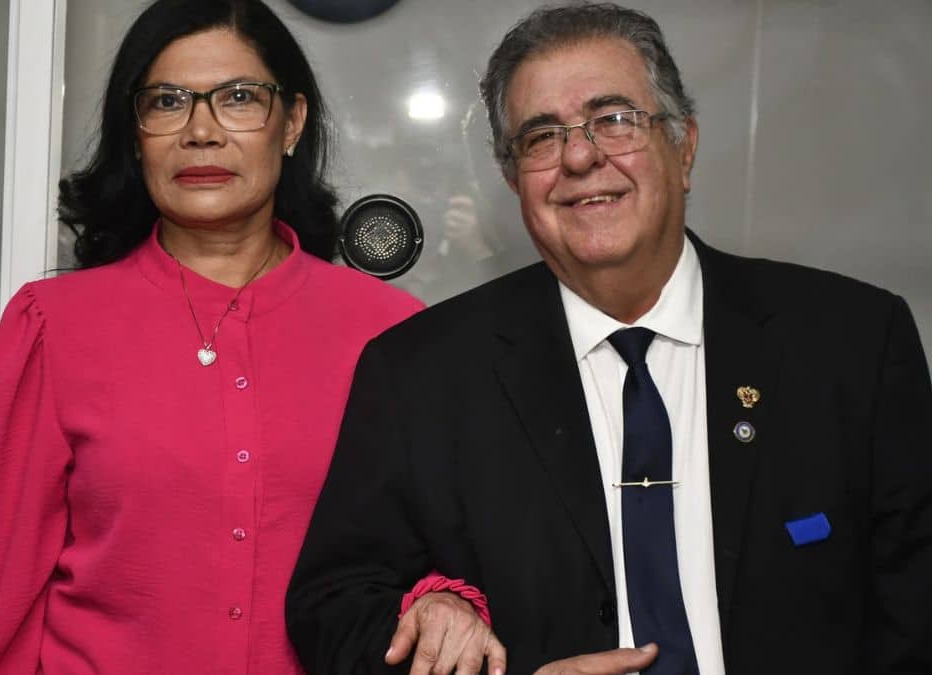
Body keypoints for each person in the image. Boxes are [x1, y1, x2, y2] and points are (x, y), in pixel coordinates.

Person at [285, 3, 932, 674]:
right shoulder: (421, 373)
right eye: (541, 137)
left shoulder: (852, 344)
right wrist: (439, 625)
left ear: (683, 146)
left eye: (614, 119)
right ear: (513, 179)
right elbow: (333, 607)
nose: (579, 155)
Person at [0, 1, 435, 673]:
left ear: (291, 123)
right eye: (167, 102)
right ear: (134, 133)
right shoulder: (54, 327)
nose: (201, 132)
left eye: (239, 98)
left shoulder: (388, 330)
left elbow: (438, 561)